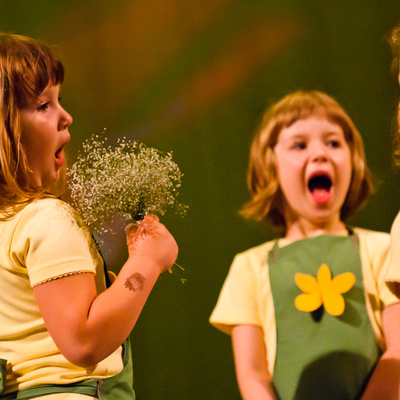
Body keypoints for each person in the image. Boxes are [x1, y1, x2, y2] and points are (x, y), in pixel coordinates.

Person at [0, 32, 178, 400]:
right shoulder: (47, 219)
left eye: (58, 100)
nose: (66, 116)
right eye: (43, 105)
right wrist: (147, 262)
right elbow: (84, 341)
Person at [209, 90, 400, 399]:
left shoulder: (384, 249)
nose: (320, 154)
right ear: (271, 166)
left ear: (353, 160)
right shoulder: (249, 267)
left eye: (334, 143)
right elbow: (252, 375)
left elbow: (398, 354)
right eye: (299, 145)